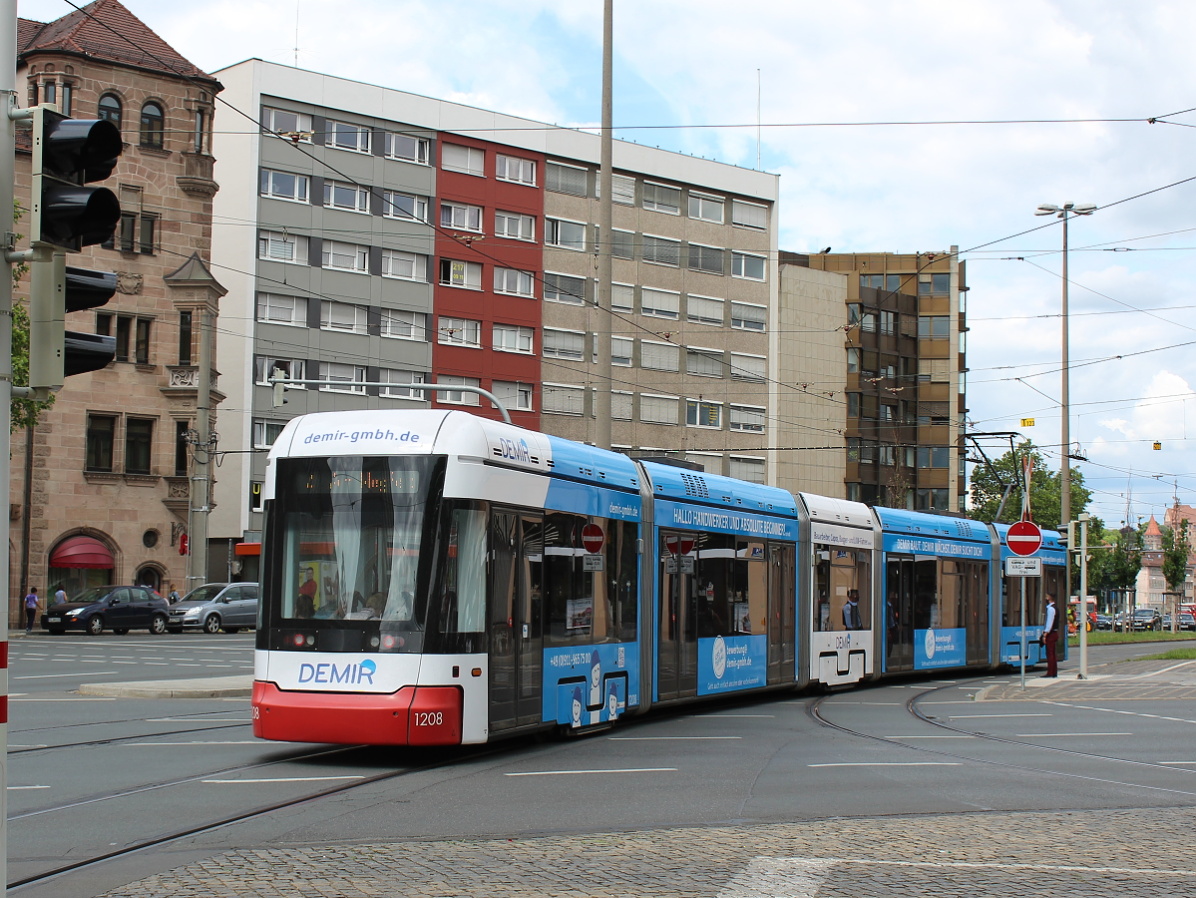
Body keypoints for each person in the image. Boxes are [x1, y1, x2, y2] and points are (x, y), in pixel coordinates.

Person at [1041, 592, 1059, 678]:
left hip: (1051, 634)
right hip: (1054, 632)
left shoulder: (1051, 609)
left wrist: (1045, 634)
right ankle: (1053, 672)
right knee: (1052, 653)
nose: (1045, 598)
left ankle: (1051, 672)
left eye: (1046, 596)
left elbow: (1049, 622)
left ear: (1049, 598)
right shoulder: (1055, 608)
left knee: (1050, 653)